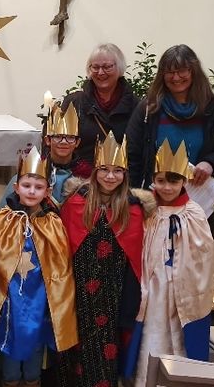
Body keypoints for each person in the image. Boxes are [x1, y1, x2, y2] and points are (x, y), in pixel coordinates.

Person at [59, 132, 152, 387]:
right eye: (104, 170)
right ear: (95, 172)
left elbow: (136, 255)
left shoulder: (132, 208)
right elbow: (62, 248)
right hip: (80, 287)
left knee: (106, 343)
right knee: (77, 339)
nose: (110, 176)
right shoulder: (77, 202)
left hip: (114, 291)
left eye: (117, 171)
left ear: (125, 174)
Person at [125, 44, 214, 238]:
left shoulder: (213, 108)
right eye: (169, 72)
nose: (176, 77)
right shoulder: (149, 107)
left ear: (193, 71)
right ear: (162, 75)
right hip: (155, 200)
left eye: (182, 71)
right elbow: (131, 153)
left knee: (193, 261)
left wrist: (211, 163)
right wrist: (135, 196)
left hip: (197, 202)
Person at [130, 140, 214, 387]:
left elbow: (203, 254)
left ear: (184, 182)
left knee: (176, 333)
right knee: (152, 331)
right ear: (153, 180)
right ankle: (145, 377)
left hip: (181, 286)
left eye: (174, 181)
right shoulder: (146, 209)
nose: (167, 188)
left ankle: (177, 377)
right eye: (161, 181)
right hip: (152, 285)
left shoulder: (194, 212)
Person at [0, 146, 79, 387]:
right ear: (16, 187)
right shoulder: (2, 220)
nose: (32, 191)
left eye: (38, 187)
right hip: (10, 300)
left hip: (40, 301)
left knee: (34, 348)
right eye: (27, 185)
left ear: (48, 191)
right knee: (10, 347)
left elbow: (61, 264)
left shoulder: (53, 222)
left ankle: (33, 381)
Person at [60, 44, 139, 177]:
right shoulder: (74, 103)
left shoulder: (136, 106)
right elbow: (59, 144)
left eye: (107, 67)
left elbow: (138, 150)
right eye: (95, 67)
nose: (101, 73)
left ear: (119, 68)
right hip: (79, 181)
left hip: (119, 182)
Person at [0, 101, 86, 208]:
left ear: (77, 142)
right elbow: (3, 215)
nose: (64, 142)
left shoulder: (85, 176)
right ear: (48, 140)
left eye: (70, 137)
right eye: (58, 136)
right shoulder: (27, 175)